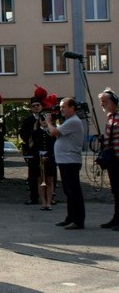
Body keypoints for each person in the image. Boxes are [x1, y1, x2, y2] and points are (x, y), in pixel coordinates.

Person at [48, 98, 86, 229]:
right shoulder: (68, 122)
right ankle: (70, 217)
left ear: (72, 108)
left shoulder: (74, 121)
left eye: (64, 106)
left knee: (73, 191)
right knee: (68, 192)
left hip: (70, 161)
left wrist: (48, 122)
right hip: (64, 161)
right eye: (60, 107)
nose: (61, 109)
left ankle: (78, 220)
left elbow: (53, 132)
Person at [98, 88, 119, 231]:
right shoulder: (111, 117)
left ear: (113, 102)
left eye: (104, 102)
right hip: (112, 159)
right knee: (116, 191)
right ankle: (116, 218)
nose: (102, 105)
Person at [19, 97, 45, 205]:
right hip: (32, 150)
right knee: (33, 175)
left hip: (44, 150)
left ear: (41, 107)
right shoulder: (28, 119)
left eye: (38, 105)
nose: (36, 107)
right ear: (31, 108)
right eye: (33, 106)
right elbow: (23, 133)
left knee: (46, 175)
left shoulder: (45, 118)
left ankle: (48, 197)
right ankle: (33, 197)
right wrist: (30, 140)